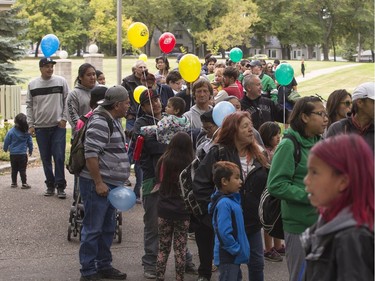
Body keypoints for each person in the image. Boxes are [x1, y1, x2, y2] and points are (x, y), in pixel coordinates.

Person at [193, 111, 269, 281]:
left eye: (251, 125)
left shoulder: (260, 154)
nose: (251, 130)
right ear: (233, 131)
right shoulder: (218, 153)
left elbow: (267, 185)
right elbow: (200, 184)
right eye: (245, 126)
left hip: (252, 222)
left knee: (257, 264)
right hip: (229, 224)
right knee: (232, 270)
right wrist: (215, 211)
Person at [132, 90, 197, 279]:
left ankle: (187, 261)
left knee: (179, 223)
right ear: (143, 106)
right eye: (150, 102)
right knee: (153, 222)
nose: (157, 104)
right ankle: (150, 263)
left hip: (175, 181)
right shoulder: (141, 124)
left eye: (158, 100)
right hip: (152, 178)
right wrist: (169, 144)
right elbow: (149, 147)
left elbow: (185, 142)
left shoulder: (172, 119)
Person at [267, 96, 328, 281]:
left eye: (326, 114)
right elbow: (276, 185)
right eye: (320, 114)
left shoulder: (320, 142)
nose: (325, 119)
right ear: (304, 117)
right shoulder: (288, 145)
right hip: (299, 227)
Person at [302, 134, 374, 281]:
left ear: (343, 182)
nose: (306, 180)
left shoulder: (351, 239)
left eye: (314, 172)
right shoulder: (328, 224)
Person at [78, 85, 131, 281]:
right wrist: (98, 182)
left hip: (111, 185)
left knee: (108, 227)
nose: (128, 106)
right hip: (98, 186)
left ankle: (104, 265)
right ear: (117, 105)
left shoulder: (113, 119)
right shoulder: (101, 121)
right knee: (93, 228)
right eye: (126, 103)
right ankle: (88, 271)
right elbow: (91, 155)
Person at [26, 58, 69, 198]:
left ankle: (60, 186)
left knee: (59, 156)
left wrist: (64, 119)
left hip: (58, 126)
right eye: (47, 66)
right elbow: (29, 106)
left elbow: (67, 101)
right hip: (41, 128)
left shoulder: (61, 81)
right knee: (45, 158)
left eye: (51, 66)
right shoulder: (33, 85)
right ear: (40, 68)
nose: (50, 69)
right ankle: (50, 185)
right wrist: (31, 125)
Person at [155, 132, 194, 281]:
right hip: (182, 211)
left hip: (164, 209)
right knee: (180, 248)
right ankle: (179, 277)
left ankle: (159, 275)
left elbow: (159, 180)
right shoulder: (190, 163)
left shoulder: (163, 161)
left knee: (163, 246)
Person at [208, 161, 250, 281]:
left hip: (232, 257)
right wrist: (235, 249)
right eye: (236, 178)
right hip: (228, 256)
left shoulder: (231, 201)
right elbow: (223, 231)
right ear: (224, 181)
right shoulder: (224, 203)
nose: (240, 181)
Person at [258, 122, 284, 262]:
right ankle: (268, 249)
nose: (278, 137)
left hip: (276, 190)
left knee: (277, 217)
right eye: (275, 134)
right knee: (269, 219)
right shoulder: (264, 152)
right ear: (267, 137)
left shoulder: (277, 149)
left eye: (279, 133)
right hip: (267, 190)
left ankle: (278, 245)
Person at [326, 82, 374, 151]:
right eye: (374, 102)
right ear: (360, 103)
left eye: (351, 103)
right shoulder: (337, 128)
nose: (350, 106)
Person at [3, 113, 33, 189]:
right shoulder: (27, 132)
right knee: (22, 169)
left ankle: (14, 183)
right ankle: (24, 183)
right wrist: (30, 150)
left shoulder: (11, 132)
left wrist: (5, 148)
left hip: (13, 154)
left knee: (14, 169)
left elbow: (6, 141)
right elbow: (30, 142)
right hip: (22, 154)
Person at [67, 63, 97, 129]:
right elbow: (73, 118)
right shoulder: (74, 94)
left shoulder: (101, 90)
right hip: (82, 135)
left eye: (94, 74)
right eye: (88, 75)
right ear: (80, 77)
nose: (92, 77)